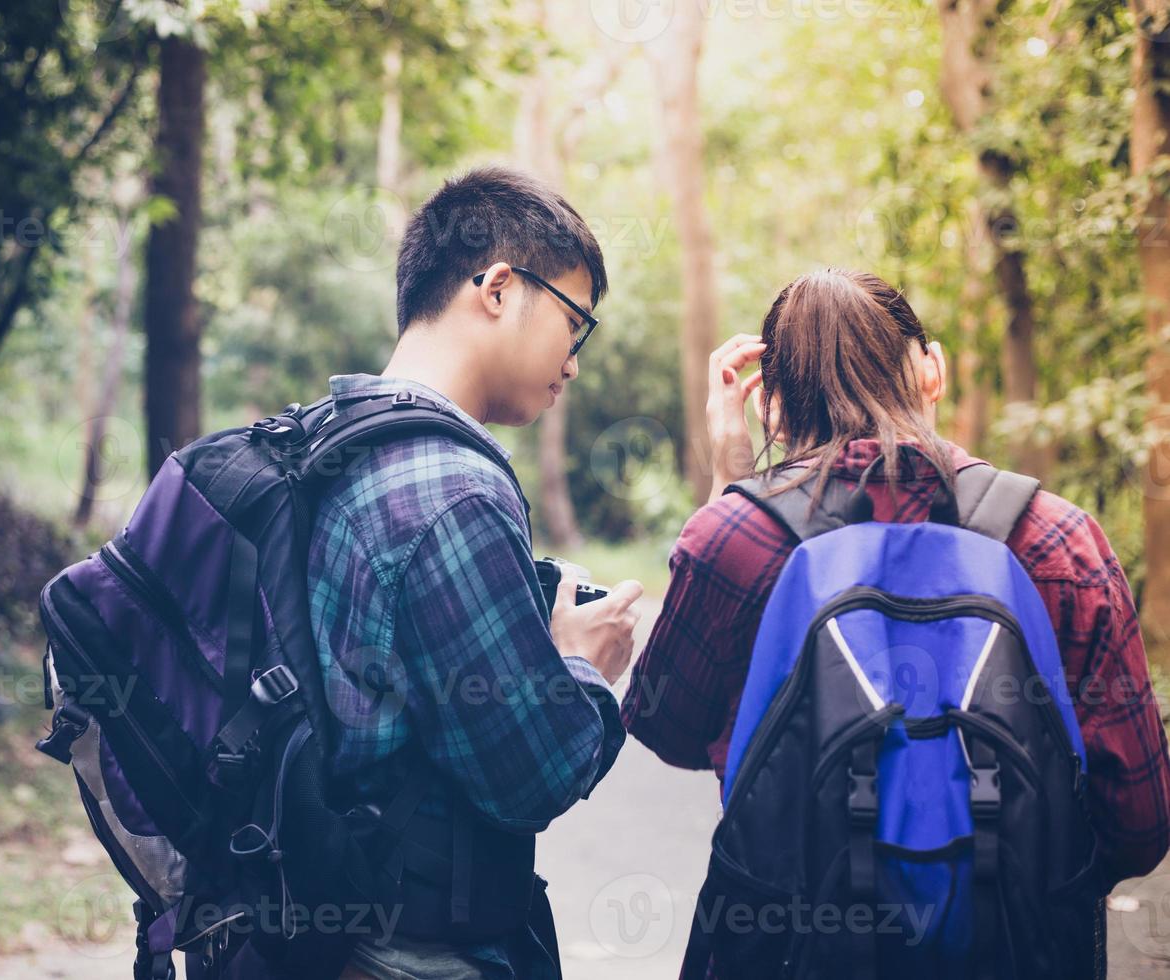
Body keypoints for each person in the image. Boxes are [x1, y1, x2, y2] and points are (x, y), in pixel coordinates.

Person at [622, 267, 1170, 975]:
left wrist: (732, 487)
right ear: (932, 371)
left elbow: (671, 729)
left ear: (774, 411)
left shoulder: (731, 540)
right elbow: (1140, 824)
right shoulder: (1059, 539)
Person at [307, 165, 644, 980]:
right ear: (497, 287)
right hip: (411, 950)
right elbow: (529, 777)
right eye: (575, 322)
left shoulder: (328, 436)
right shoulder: (453, 489)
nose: (573, 361)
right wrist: (580, 667)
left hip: (314, 927)